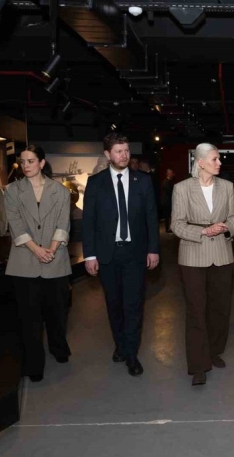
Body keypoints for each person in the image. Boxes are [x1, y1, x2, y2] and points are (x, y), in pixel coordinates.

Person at [82, 132, 160, 377]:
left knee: (133, 306)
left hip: (135, 254)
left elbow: (151, 218)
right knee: (114, 305)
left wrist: (153, 249)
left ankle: (131, 355)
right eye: (119, 151)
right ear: (108, 154)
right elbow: (88, 221)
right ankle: (120, 345)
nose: (124, 155)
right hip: (108, 254)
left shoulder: (143, 181)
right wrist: (89, 255)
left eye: (126, 150)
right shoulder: (96, 183)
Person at [171, 143, 234, 386]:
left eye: (219, 159)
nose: (219, 163)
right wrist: (203, 231)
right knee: (196, 310)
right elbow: (176, 224)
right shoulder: (182, 188)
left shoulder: (227, 187)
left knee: (220, 309)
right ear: (200, 163)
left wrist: (227, 227)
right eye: (214, 159)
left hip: (222, 254)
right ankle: (198, 365)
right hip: (193, 256)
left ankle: (213, 351)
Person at [4, 145, 72, 383]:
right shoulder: (12, 191)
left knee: (57, 312)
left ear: (42, 163)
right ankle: (34, 364)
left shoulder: (60, 191)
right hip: (25, 261)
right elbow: (15, 224)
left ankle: (59, 347)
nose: (26, 166)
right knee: (29, 318)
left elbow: (63, 223)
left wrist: (51, 249)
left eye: (31, 161)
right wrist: (36, 249)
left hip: (55, 258)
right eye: (22, 162)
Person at [161, 168, 175, 233]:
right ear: (168, 174)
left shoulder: (168, 181)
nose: (172, 174)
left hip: (168, 201)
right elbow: (169, 192)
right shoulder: (166, 182)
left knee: (169, 216)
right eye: (171, 173)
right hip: (166, 202)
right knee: (167, 216)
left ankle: (169, 228)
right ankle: (168, 228)